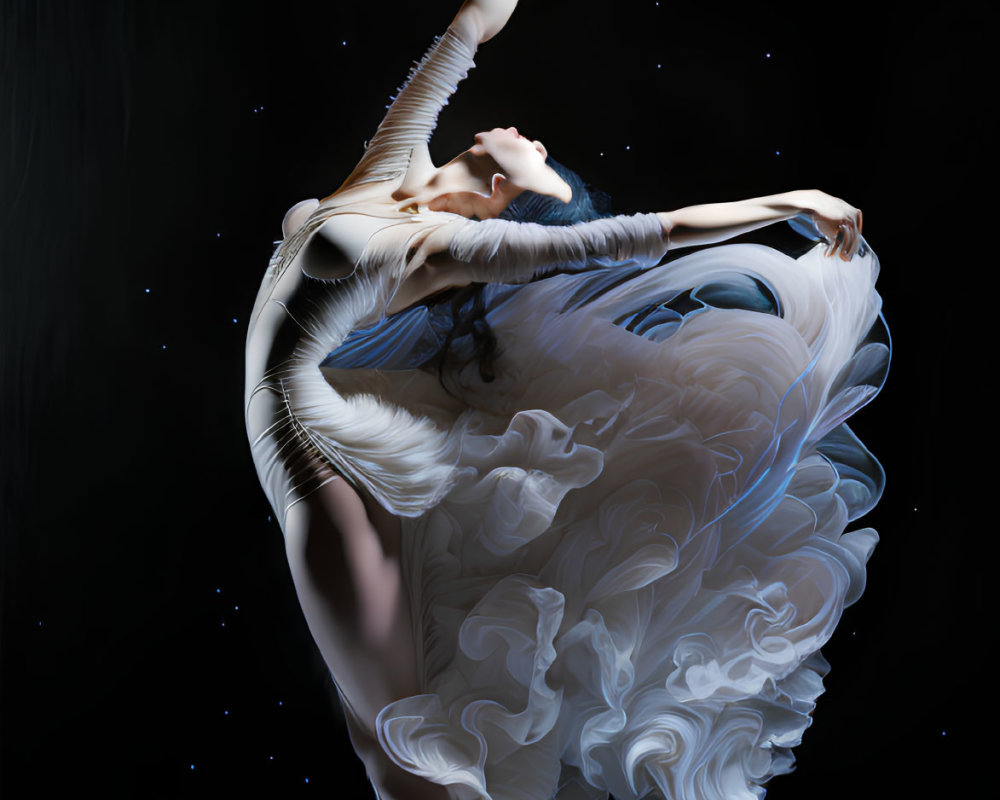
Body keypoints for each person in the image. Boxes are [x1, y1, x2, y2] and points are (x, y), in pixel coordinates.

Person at [244, 1, 887, 798]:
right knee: (381, 726)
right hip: (302, 422)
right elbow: (464, 35)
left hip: (314, 452)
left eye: (547, 160)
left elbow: (656, 231)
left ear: (508, 198)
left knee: (393, 735)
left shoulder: (457, 245)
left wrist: (788, 201)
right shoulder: (390, 172)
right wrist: (477, 20)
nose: (538, 137)